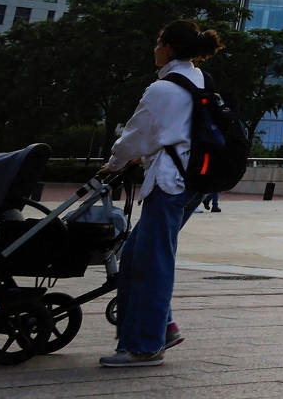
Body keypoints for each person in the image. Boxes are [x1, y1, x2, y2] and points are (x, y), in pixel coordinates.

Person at [97, 19, 224, 367]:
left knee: (151, 263)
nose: (154, 48)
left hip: (170, 182)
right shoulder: (201, 79)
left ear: (167, 48)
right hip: (194, 181)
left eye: (157, 42)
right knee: (139, 256)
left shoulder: (163, 89)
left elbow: (136, 134)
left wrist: (114, 163)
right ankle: (162, 328)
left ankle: (144, 345)